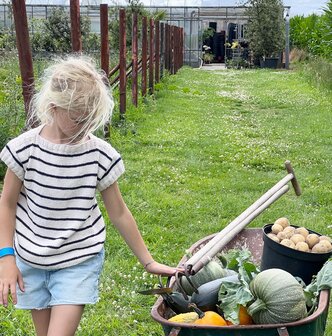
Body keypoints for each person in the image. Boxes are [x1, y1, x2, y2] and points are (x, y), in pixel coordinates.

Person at [0, 55, 181, 336]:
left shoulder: (99, 154)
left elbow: (119, 213)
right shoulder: (23, 150)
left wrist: (149, 261)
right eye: (78, 119)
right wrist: (6, 258)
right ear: (54, 107)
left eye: (90, 119)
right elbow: (7, 203)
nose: (85, 127)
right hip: (31, 260)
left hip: (78, 260)